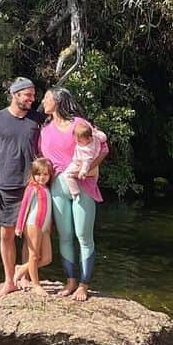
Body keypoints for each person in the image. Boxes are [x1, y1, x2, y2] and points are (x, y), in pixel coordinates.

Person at [40, 87, 105, 302]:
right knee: (65, 236)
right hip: (58, 186)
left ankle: (84, 285)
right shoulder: (45, 129)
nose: (43, 101)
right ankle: (70, 282)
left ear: (57, 101)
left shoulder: (79, 124)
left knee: (84, 236)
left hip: (83, 184)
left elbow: (104, 148)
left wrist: (88, 168)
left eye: (47, 98)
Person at [0, 77, 43, 294]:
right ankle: (9, 281)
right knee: (6, 234)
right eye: (28, 95)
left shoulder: (38, 118)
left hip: (33, 185)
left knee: (31, 234)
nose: (32, 99)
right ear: (15, 94)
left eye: (34, 95)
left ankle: (25, 277)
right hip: (6, 184)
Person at [13, 157, 54, 293]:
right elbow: (24, 207)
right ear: (33, 174)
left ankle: (22, 268)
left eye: (45, 174)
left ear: (50, 175)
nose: (41, 177)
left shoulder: (47, 188)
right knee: (34, 256)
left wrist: (49, 226)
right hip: (33, 224)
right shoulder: (32, 187)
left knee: (47, 258)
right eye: (38, 174)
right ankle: (36, 284)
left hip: (45, 227)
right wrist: (19, 226)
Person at [56, 120, 107, 197]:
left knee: (66, 174)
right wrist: (97, 132)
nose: (77, 141)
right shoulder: (96, 137)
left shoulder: (87, 149)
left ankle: (74, 191)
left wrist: (83, 172)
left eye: (79, 140)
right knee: (94, 180)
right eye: (76, 139)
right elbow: (103, 137)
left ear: (88, 139)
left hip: (79, 163)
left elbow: (86, 161)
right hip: (91, 164)